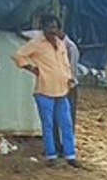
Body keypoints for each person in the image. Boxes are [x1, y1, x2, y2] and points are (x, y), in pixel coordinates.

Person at [14, 14, 79, 167]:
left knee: (67, 123)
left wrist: (69, 77)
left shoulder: (60, 43)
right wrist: (32, 69)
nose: (52, 30)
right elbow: (18, 56)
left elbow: (65, 64)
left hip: (62, 89)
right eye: (49, 27)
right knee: (48, 125)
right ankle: (51, 156)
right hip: (44, 90)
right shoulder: (36, 43)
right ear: (43, 28)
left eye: (55, 27)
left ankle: (70, 155)